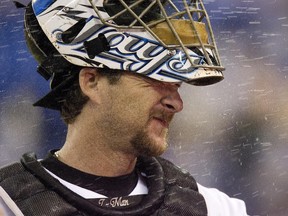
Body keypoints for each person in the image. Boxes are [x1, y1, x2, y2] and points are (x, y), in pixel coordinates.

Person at [0, 0, 248, 215]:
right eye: (154, 79)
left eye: (176, 86)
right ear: (91, 81)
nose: (176, 103)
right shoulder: (8, 203)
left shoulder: (214, 208)